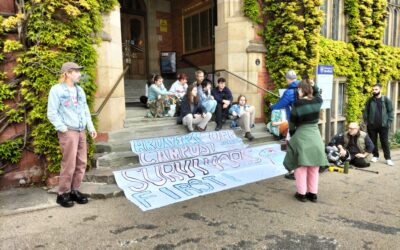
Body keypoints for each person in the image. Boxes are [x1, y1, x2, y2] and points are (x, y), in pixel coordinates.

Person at [47, 62, 97, 208]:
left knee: (82, 162)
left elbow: (86, 110)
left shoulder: (79, 90)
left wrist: (91, 127)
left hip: (81, 130)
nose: (79, 74)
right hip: (68, 131)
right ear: (67, 73)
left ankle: (75, 190)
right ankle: (62, 193)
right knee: (69, 163)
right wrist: (63, 128)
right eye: (76, 71)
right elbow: (52, 112)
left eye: (79, 71)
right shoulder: (56, 90)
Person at [283, 79, 328, 203]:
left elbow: (292, 124)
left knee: (300, 165)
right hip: (315, 135)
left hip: (302, 134)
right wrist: (315, 86)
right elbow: (318, 94)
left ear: (302, 90)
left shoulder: (297, 104)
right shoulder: (318, 101)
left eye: (298, 88)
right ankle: (313, 194)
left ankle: (302, 194)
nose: (297, 90)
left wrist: (293, 135)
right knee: (314, 166)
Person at [271, 70, 301, 179]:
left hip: (294, 124)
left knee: (291, 146)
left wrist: (272, 107)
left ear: (287, 79)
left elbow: (280, 104)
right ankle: (302, 170)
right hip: (304, 123)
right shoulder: (303, 88)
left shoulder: (289, 92)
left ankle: (293, 171)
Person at [363, 84, 394, 166]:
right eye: (373, 89)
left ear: (380, 90)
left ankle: (388, 158)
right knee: (373, 141)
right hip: (372, 125)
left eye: (376, 89)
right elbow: (366, 111)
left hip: (383, 125)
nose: (374, 91)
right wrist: (366, 121)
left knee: (384, 142)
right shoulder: (370, 100)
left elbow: (390, 111)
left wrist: (389, 122)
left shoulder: (386, 100)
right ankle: (375, 155)